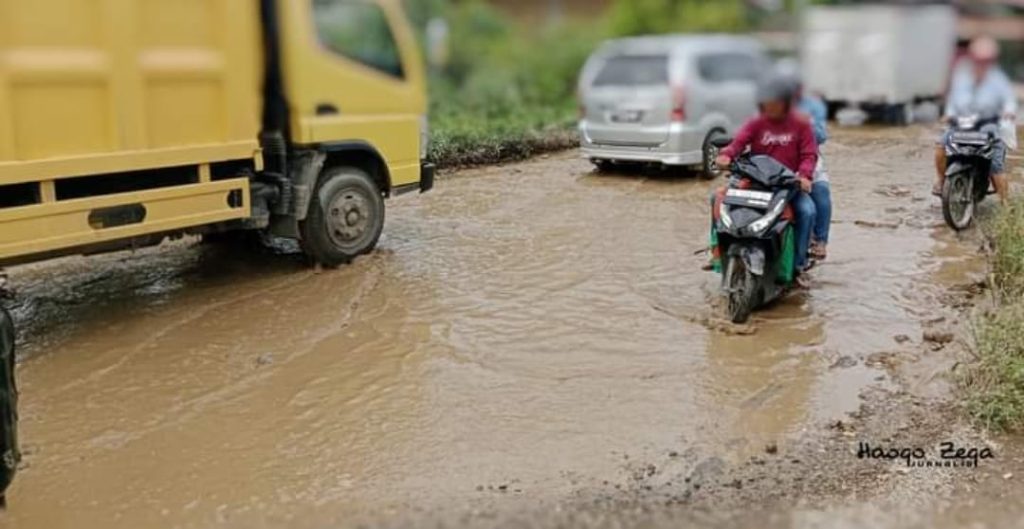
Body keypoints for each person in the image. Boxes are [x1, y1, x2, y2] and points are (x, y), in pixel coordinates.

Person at [712, 76, 819, 281]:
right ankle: (716, 252)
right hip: (756, 180)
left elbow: (808, 155)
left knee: (807, 210)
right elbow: (738, 143)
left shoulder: (801, 124)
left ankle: (798, 265)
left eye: (775, 103)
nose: (770, 107)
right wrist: (726, 155)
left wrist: (804, 176)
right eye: (766, 103)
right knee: (716, 199)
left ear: (786, 103)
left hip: (788, 184)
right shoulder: (756, 122)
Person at [933, 36, 1017, 203]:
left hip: (990, 125)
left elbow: (1008, 99)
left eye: (985, 60)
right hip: (963, 123)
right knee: (940, 146)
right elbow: (953, 100)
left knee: (995, 167)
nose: (981, 64)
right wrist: (949, 113)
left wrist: (1009, 111)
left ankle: (1006, 206)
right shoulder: (962, 77)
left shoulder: (998, 80)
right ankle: (942, 180)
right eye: (978, 60)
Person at [777, 60, 832, 260]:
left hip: (806, 163)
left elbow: (821, 137)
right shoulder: (769, 106)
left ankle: (819, 241)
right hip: (774, 164)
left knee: (820, 194)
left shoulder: (812, 107)